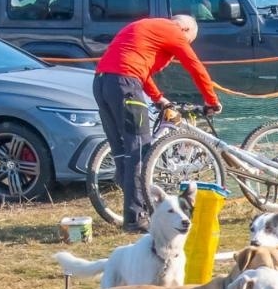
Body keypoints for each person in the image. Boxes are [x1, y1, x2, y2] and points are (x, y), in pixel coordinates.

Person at [93, 15, 222, 233]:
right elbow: (194, 66)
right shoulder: (173, 31)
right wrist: (211, 100)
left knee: (121, 151)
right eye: (189, 40)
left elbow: (139, 68)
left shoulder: (145, 27)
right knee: (141, 150)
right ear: (186, 29)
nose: (184, 46)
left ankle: (131, 209)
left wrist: (158, 98)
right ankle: (136, 218)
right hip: (125, 83)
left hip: (102, 81)